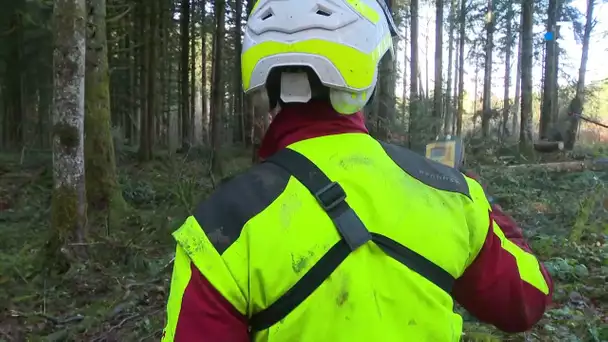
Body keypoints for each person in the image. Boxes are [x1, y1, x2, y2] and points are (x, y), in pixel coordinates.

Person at [161, 0, 553, 341]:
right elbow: (526, 299)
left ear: (266, 79)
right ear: (367, 68)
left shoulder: (218, 230)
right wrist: (480, 202)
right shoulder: (450, 194)